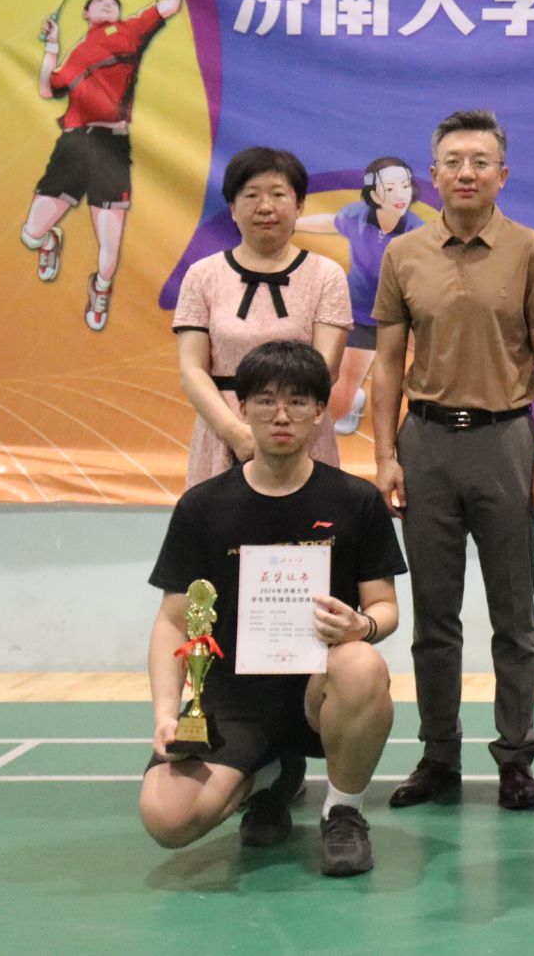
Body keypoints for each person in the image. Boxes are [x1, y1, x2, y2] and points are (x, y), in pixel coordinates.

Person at [138, 340, 404, 878]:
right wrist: (166, 715)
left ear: (320, 411)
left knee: (363, 665)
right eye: (265, 400)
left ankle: (343, 813)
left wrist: (363, 625)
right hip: (233, 700)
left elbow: (384, 607)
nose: (281, 415)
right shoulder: (202, 507)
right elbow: (172, 619)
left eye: (298, 401)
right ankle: (269, 778)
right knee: (167, 820)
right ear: (242, 407)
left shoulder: (355, 501)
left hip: (317, 693)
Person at [370, 109, 534, 812]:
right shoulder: (403, 254)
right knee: (434, 616)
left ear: (502, 175)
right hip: (424, 443)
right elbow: (387, 362)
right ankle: (439, 753)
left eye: (480, 161)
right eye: (453, 161)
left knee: (513, 614)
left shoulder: (531, 249)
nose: (466, 172)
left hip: (505, 441)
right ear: (433, 174)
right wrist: (384, 454)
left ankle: (515, 755)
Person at [20, 0, 199, 331]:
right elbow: (48, 89)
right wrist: (51, 46)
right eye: (99, 2)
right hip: (72, 146)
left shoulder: (130, 31)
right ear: (85, 13)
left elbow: (171, 2)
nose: (106, 4)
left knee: (109, 249)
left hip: (111, 146)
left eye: (111, 2)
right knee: (29, 236)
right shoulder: (76, 53)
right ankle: (50, 241)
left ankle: (100, 289)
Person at [174, 148, 353, 487]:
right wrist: (236, 433)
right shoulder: (201, 275)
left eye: (278, 195)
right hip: (223, 432)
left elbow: (325, 369)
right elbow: (191, 370)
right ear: (232, 208)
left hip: (302, 434)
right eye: (251, 195)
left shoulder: (326, 275)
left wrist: (281, 426)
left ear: (299, 205)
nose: (265, 207)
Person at [295, 155, 424, 435]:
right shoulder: (356, 216)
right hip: (361, 312)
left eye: (405, 186)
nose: (400, 195)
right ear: (374, 194)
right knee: (342, 391)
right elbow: (331, 222)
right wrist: (291, 224)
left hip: (403, 317)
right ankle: (348, 403)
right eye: (390, 188)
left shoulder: (418, 233)